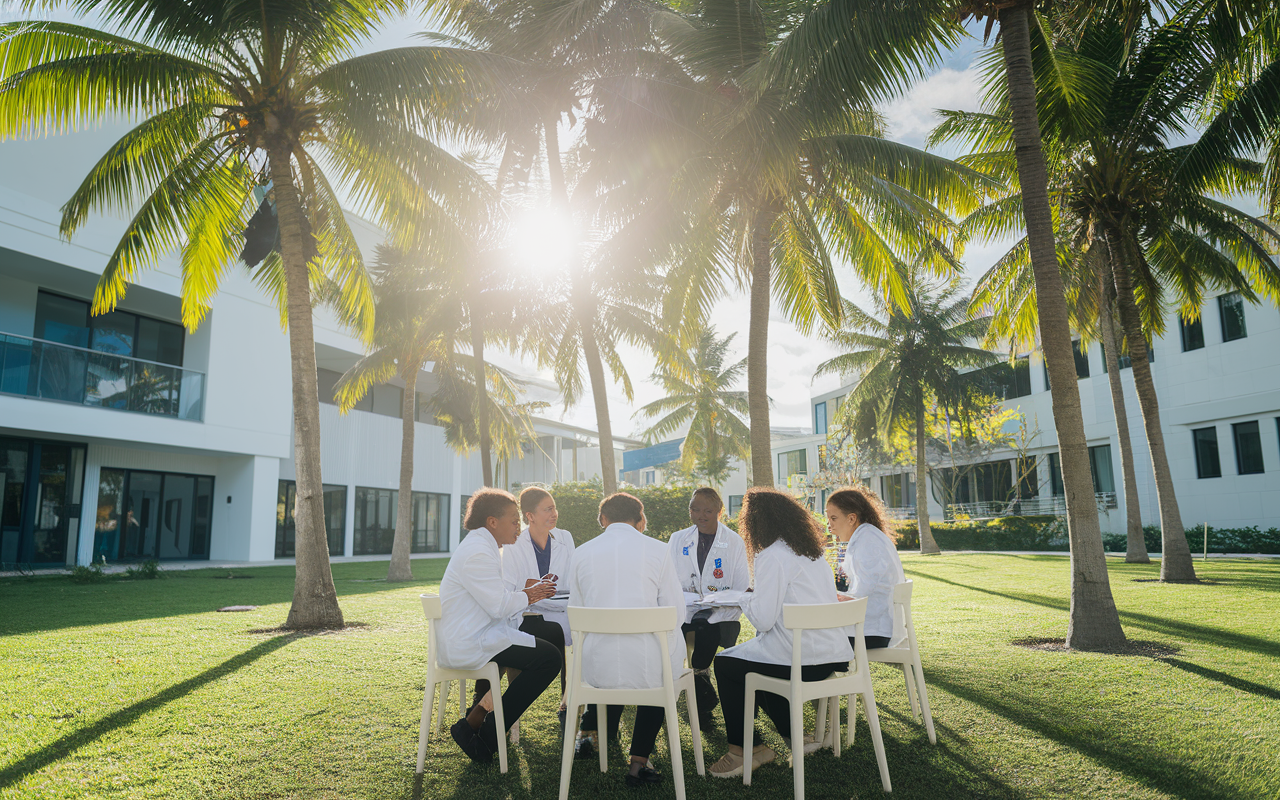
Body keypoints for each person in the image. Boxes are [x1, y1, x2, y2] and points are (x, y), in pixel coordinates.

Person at [708, 487, 854, 778]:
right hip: (831, 656)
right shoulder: (813, 554)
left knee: (725, 664)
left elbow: (763, 620)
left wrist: (742, 597)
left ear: (756, 524)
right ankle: (792, 738)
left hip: (801, 661)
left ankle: (743, 751)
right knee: (753, 665)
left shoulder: (772, 556)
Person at [568, 492, 686, 788]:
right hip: (648, 670)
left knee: (652, 657)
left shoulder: (581, 553)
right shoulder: (659, 550)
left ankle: (592, 733)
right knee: (665, 660)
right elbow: (676, 613)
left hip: (595, 673)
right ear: (640, 520)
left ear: (603, 520)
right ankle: (638, 764)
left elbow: (576, 617)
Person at [439, 488, 560, 764]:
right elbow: (497, 606)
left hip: (481, 634)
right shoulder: (478, 551)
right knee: (549, 658)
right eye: (515, 521)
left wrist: (524, 590)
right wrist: (530, 595)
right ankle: (482, 731)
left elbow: (496, 597)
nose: (520, 527)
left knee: (546, 646)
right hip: (470, 641)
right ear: (493, 522)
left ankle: (478, 721)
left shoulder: (484, 546)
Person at [667, 487, 749, 729]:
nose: (700, 515)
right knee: (671, 630)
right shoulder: (677, 539)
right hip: (684, 609)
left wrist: (718, 600)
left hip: (719, 612)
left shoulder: (734, 542)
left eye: (708, 510)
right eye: (694, 509)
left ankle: (699, 692)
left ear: (719, 512)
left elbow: (742, 587)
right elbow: (667, 580)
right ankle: (699, 689)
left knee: (707, 628)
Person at [501, 486, 575, 727]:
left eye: (554, 508)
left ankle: (569, 702)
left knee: (576, 634)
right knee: (551, 634)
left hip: (562, 609)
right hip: (528, 613)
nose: (554, 514)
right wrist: (528, 587)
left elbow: (573, 578)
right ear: (530, 516)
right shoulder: (514, 544)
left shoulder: (565, 538)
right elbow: (508, 587)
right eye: (547, 509)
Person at [827, 486, 906, 650]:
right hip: (872, 627)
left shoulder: (868, 542)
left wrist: (845, 598)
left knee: (812, 636)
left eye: (833, 518)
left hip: (873, 632)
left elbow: (866, 588)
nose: (829, 526)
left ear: (851, 519)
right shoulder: (866, 537)